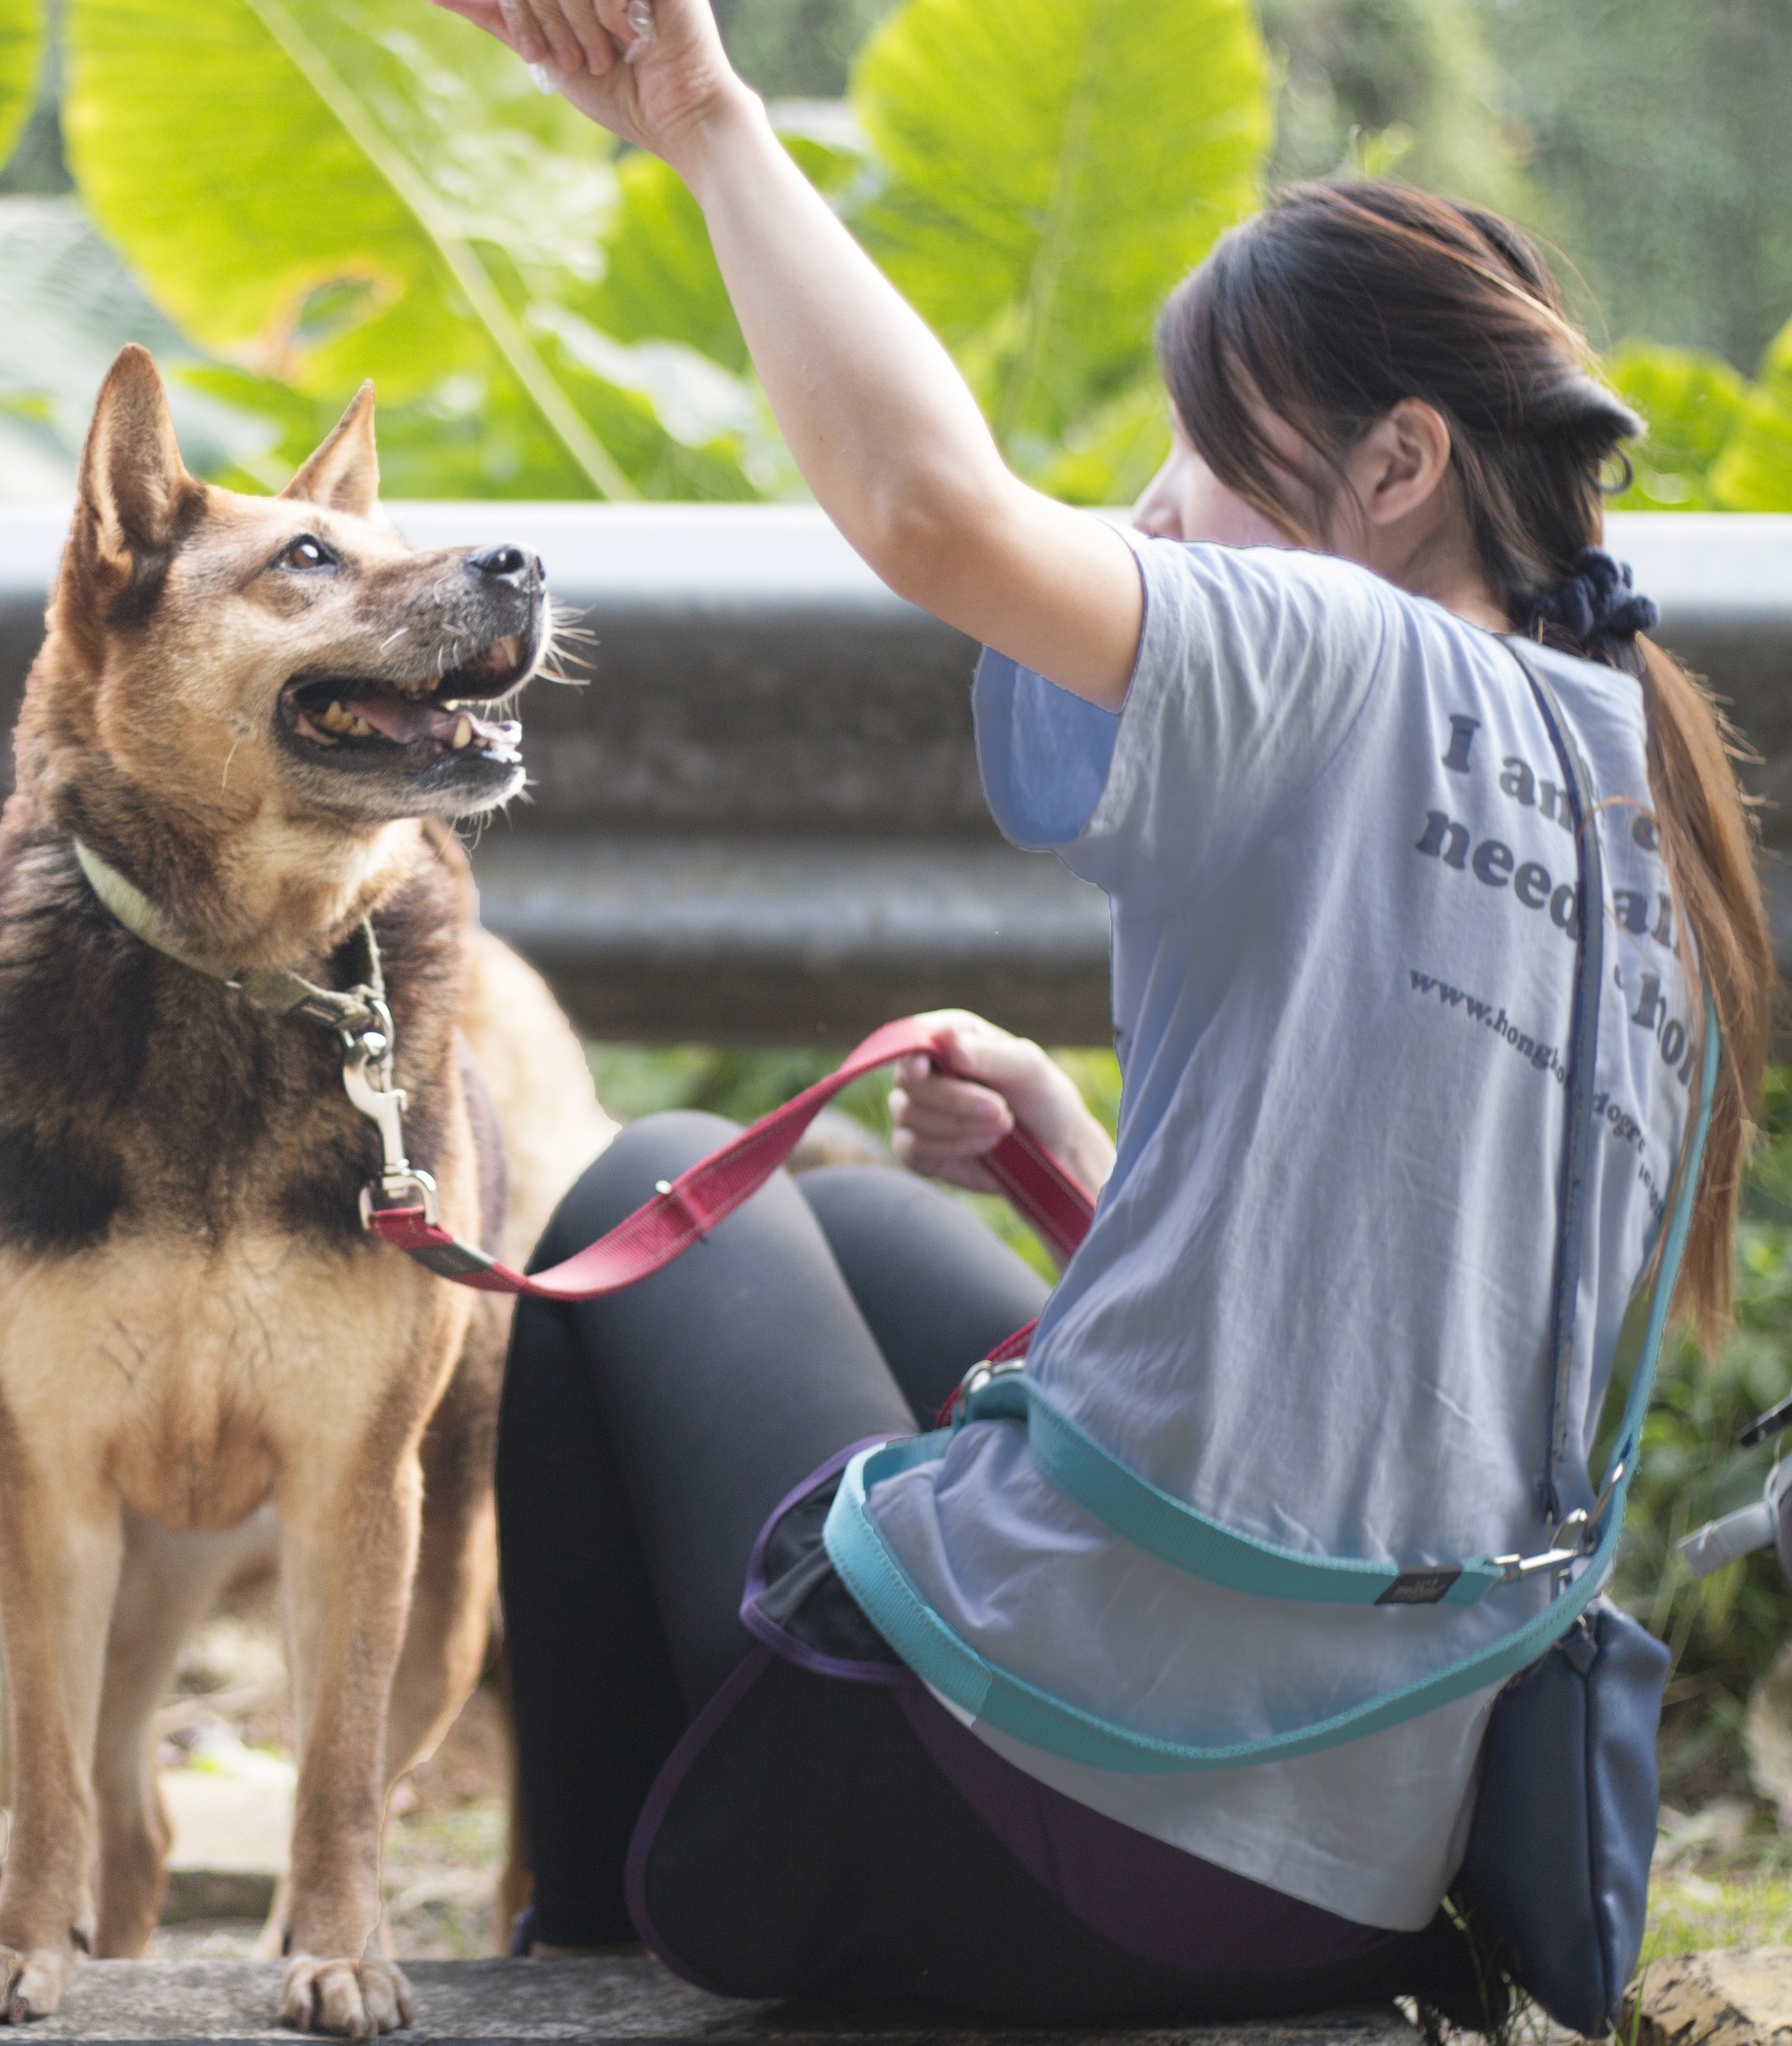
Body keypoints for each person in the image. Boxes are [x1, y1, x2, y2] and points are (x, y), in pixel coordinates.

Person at [433, 0, 1770, 2019]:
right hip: (1349, 1864)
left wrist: (705, 120)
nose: (1151, 524)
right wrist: (1080, 1158)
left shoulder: (1338, 651)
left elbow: (930, 516)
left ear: (1397, 464)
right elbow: (1398, 1306)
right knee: (879, 1223)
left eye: (1197, 463)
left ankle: (591, 1954)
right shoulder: (1645, 811)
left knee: (652, 1186)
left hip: (1042, 1828)